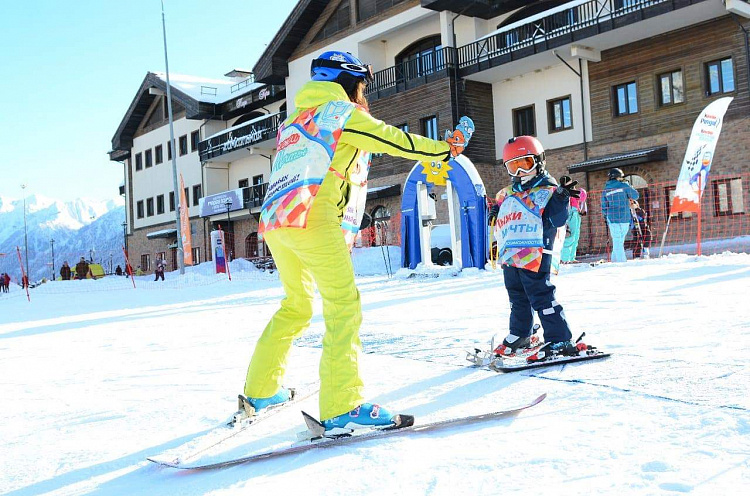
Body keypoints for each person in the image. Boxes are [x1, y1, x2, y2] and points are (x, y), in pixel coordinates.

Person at [243, 50, 456, 434]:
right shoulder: (342, 115)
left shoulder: (296, 119)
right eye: (361, 84)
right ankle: (342, 404)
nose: (363, 92)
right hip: (314, 219)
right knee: (344, 307)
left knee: (297, 306)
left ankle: (260, 390)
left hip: (278, 220)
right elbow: (394, 140)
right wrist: (443, 150)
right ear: (346, 81)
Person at [489, 136, 582, 362]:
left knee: (540, 293)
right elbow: (503, 215)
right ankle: (522, 333)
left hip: (536, 251)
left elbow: (557, 220)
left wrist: (561, 198)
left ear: (539, 161)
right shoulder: (508, 193)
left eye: (526, 163)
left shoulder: (547, 189)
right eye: (514, 165)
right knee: (517, 295)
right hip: (512, 253)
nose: (520, 171)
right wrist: (494, 213)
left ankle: (559, 336)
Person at [601, 168, 639, 263]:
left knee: (617, 240)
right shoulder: (624, 185)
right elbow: (635, 196)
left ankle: (615, 261)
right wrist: (628, 185)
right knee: (619, 240)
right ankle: (621, 262)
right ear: (619, 177)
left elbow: (604, 205)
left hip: (612, 217)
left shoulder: (606, 189)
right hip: (624, 217)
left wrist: (606, 215)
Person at [559, 175, 587, 263]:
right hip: (569, 213)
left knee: (575, 236)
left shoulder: (575, 191)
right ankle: (564, 258)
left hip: (576, 214)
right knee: (569, 236)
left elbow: (582, 197)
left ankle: (571, 257)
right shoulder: (561, 191)